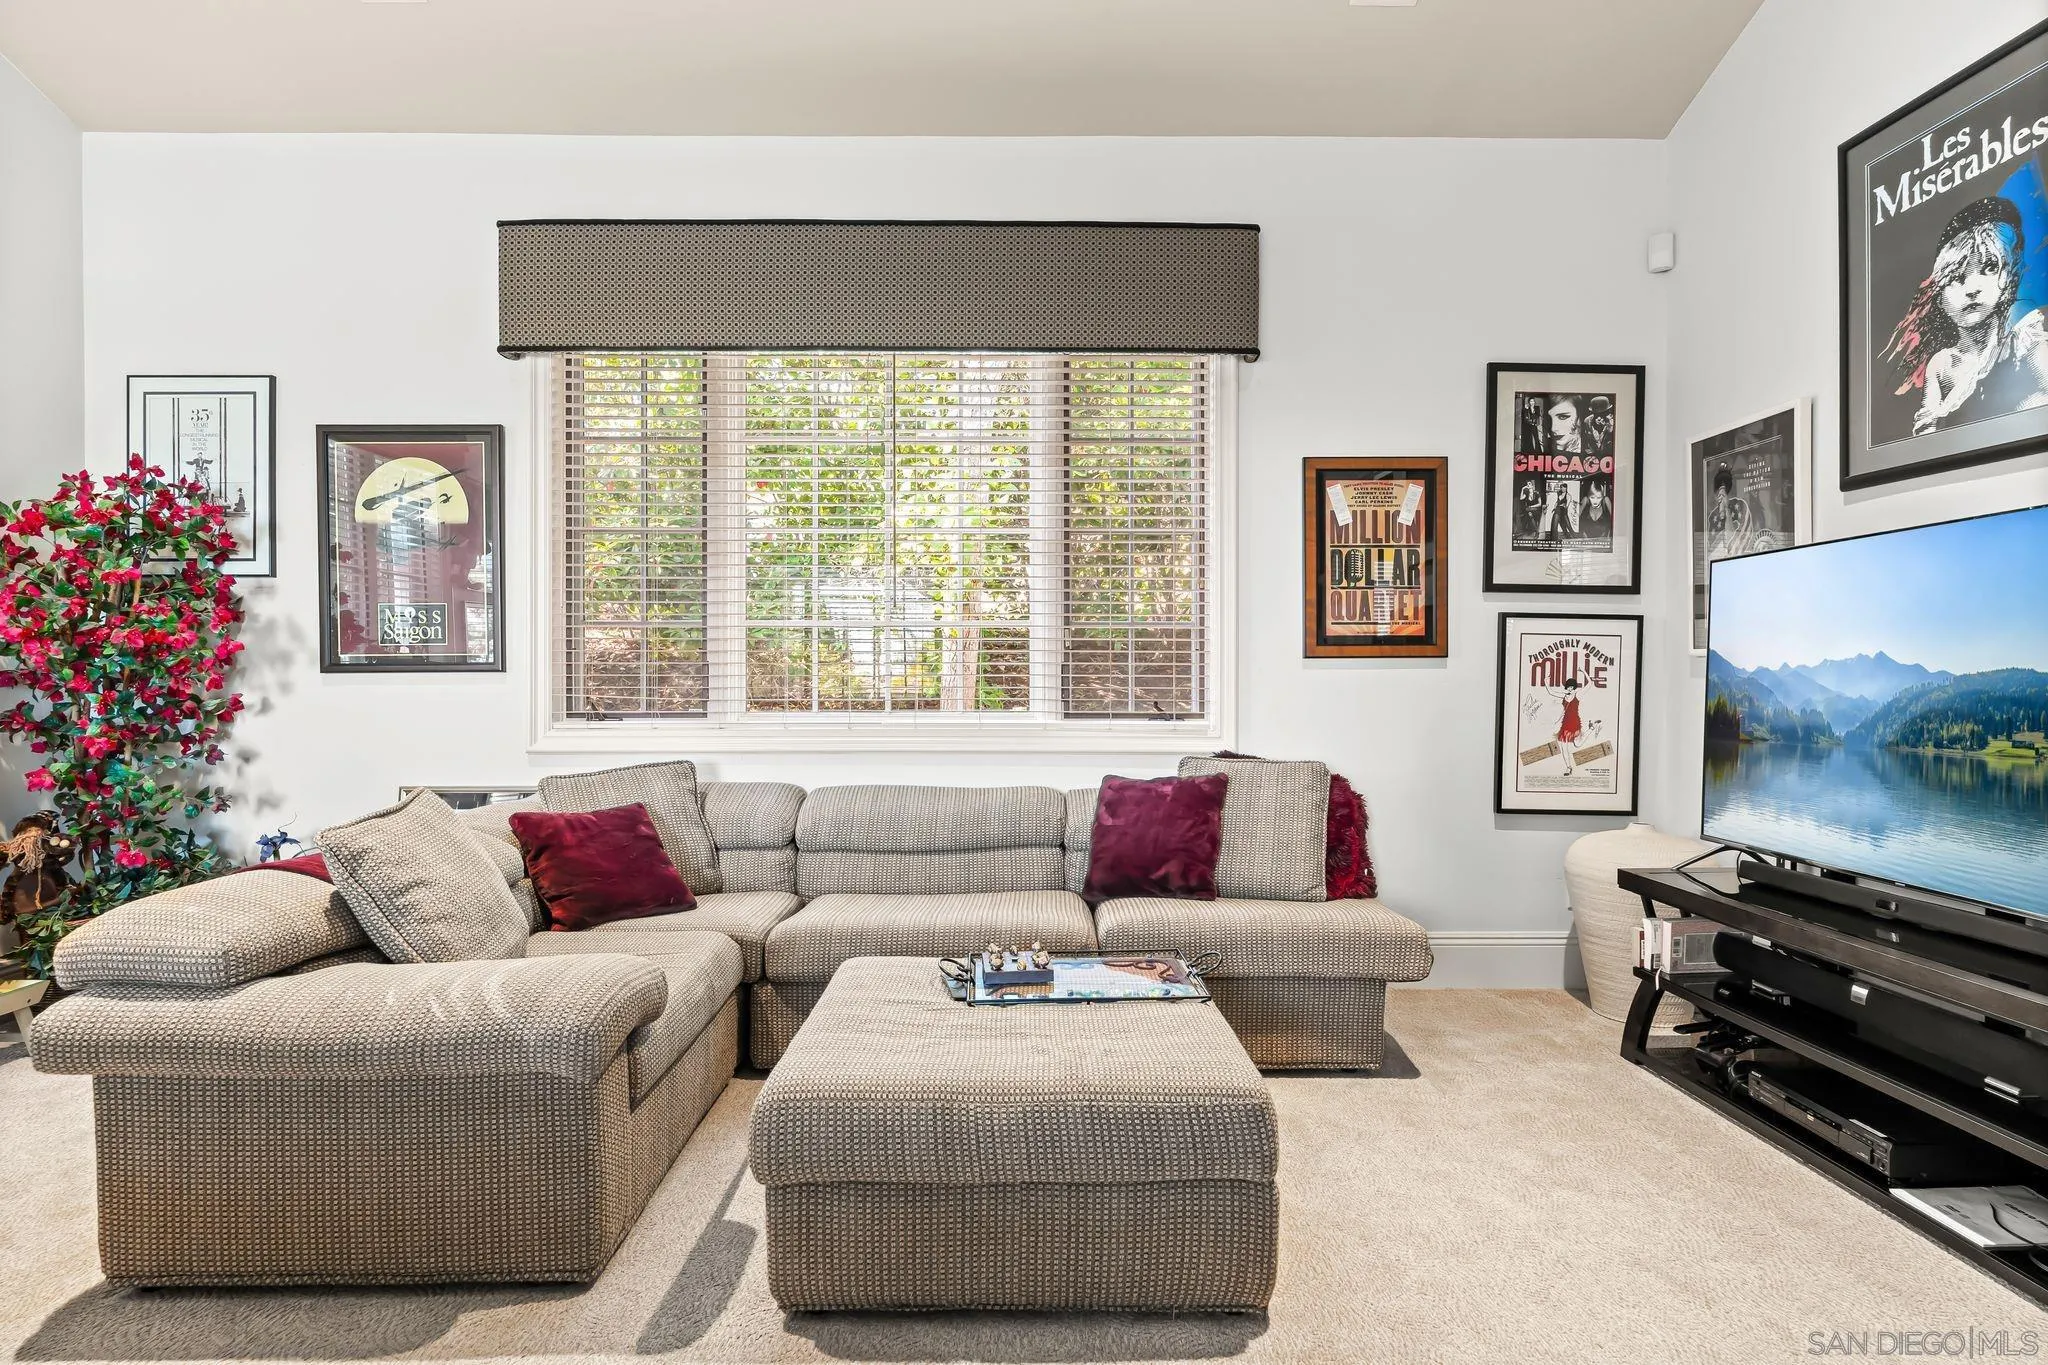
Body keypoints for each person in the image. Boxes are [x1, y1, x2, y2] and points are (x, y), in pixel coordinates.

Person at [1885, 194, 2048, 434]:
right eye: (1956, 278)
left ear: (2008, 275)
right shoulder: (1941, 365)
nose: (1972, 288)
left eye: (1990, 267)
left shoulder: (2025, 343)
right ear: (1939, 296)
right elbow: (1925, 436)